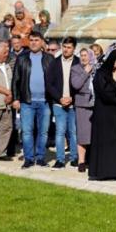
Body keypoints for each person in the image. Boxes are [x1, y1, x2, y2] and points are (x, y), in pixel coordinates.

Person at [12, 30, 54, 168]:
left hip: (45, 101)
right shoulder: (22, 58)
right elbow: (15, 80)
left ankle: (40, 157)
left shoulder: (49, 59)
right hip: (27, 101)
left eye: (36, 40)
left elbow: (55, 80)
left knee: (43, 132)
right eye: (31, 40)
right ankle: (29, 159)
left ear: (42, 42)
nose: (34, 43)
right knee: (27, 132)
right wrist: (16, 98)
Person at [88, 48, 116, 181]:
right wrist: (114, 80)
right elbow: (106, 94)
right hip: (103, 113)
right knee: (103, 143)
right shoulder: (101, 73)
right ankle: (102, 172)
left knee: (115, 142)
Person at [48, 36, 79, 169]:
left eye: (69, 47)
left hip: (73, 104)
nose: (66, 50)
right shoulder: (54, 63)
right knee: (60, 132)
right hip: (58, 103)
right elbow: (49, 84)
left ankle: (74, 158)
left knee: (73, 132)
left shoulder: (78, 63)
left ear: (74, 48)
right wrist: (59, 98)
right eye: (64, 47)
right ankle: (60, 160)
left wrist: (72, 98)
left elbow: (81, 84)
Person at [70, 47, 96, 171]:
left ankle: (92, 160)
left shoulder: (96, 67)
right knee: (83, 134)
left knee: (94, 135)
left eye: (86, 55)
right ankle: (81, 161)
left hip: (96, 104)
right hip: (82, 104)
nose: (83, 58)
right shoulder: (75, 69)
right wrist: (85, 72)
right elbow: (76, 85)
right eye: (82, 55)